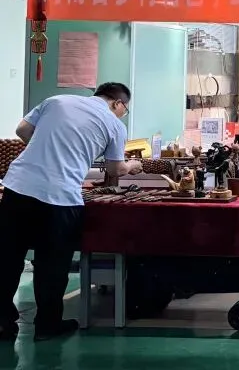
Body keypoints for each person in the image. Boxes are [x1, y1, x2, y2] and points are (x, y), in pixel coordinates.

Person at [0, 83, 143, 341]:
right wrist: (133, 165)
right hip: (60, 197)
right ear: (117, 103)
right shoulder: (114, 125)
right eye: (126, 110)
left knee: (8, 258)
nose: (123, 114)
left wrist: (50, 150)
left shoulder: (56, 100)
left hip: (18, 186)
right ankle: (47, 326)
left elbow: (22, 130)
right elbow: (115, 169)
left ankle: (1, 323)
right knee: (52, 263)